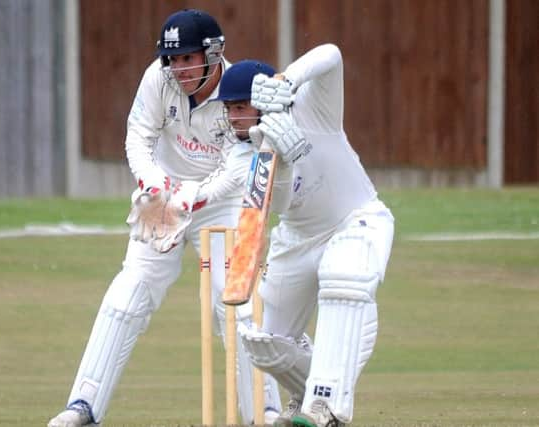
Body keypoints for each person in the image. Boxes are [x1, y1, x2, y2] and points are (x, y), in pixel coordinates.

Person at [47, 9, 281, 427]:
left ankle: (265, 412)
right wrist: (157, 188)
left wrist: (191, 198)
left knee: (236, 307)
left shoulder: (237, 90)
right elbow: (138, 136)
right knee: (128, 294)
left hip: (222, 199)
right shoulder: (157, 77)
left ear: (213, 53)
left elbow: (235, 169)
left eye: (188, 59)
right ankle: (83, 406)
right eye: (173, 59)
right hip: (165, 192)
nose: (178, 69)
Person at [215, 45, 395, 427]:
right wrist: (279, 152)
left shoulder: (314, 108)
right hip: (296, 238)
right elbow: (278, 201)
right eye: (228, 108)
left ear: (266, 98)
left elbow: (332, 55)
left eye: (240, 106)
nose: (233, 117)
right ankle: (306, 394)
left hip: (355, 220)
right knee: (264, 345)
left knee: (344, 277)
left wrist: (287, 80)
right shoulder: (240, 154)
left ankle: (326, 408)